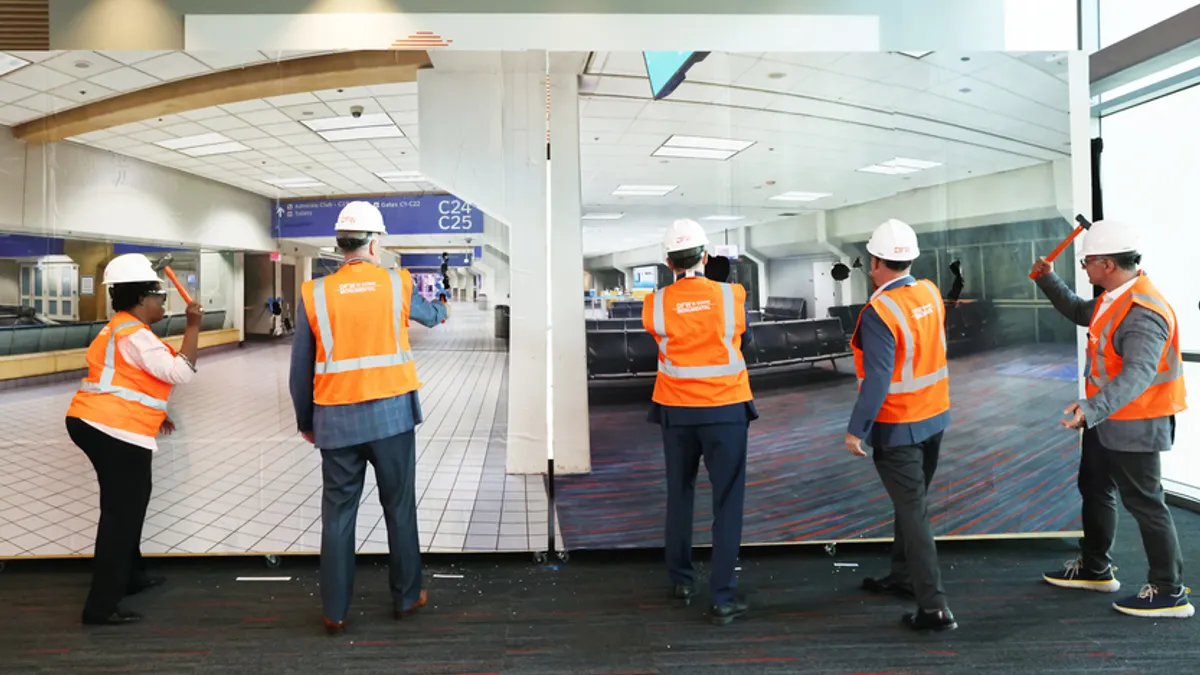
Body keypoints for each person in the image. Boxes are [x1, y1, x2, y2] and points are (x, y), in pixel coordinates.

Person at [289, 201, 450, 633]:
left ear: (341, 245)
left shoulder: (314, 293)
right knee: (398, 507)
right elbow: (432, 317)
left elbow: (300, 366)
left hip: (335, 422)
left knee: (338, 515)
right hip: (392, 418)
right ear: (374, 244)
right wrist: (443, 304)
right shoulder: (396, 284)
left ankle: (335, 611)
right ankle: (406, 596)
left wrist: (307, 420)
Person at [1033, 219, 1191, 619]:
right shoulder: (1113, 296)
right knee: (1095, 487)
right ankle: (1095, 567)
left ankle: (1170, 592)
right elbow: (1081, 311)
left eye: (1086, 262)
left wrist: (1091, 408)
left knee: (1146, 503)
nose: (1083, 269)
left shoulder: (1143, 311)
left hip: (1138, 422)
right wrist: (1048, 280)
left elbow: (1138, 374)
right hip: (1108, 420)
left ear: (1106, 264)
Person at [65, 253, 203, 625]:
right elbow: (181, 372)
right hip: (111, 430)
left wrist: (159, 414)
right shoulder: (135, 335)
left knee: (131, 504)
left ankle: (131, 577)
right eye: (158, 296)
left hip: (103, 424)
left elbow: (129, 381)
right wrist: (193, 325)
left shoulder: (121, 329)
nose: (162, 302)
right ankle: (101, 607)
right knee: (120, 516)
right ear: (142, 299)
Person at [642, 219, 756, 626]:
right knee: (727, 501)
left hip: (677, 410)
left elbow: (664, 339)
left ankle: (682, 580)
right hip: (726, 410)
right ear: (706, 257)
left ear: (668, 261)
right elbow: (743, 340)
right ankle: (723, 597)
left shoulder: (653, 304)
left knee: (680, 493)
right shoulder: (732, 297)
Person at [846, 218, 956, 632]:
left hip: (898, 424)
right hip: (934, 415)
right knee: (910, 503)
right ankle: (904, 576)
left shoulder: (879, 311)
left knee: (913, 511)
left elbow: (877, 379)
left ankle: (934, 607)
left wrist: (857, 429)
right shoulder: (928, 291)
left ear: (875, 262)